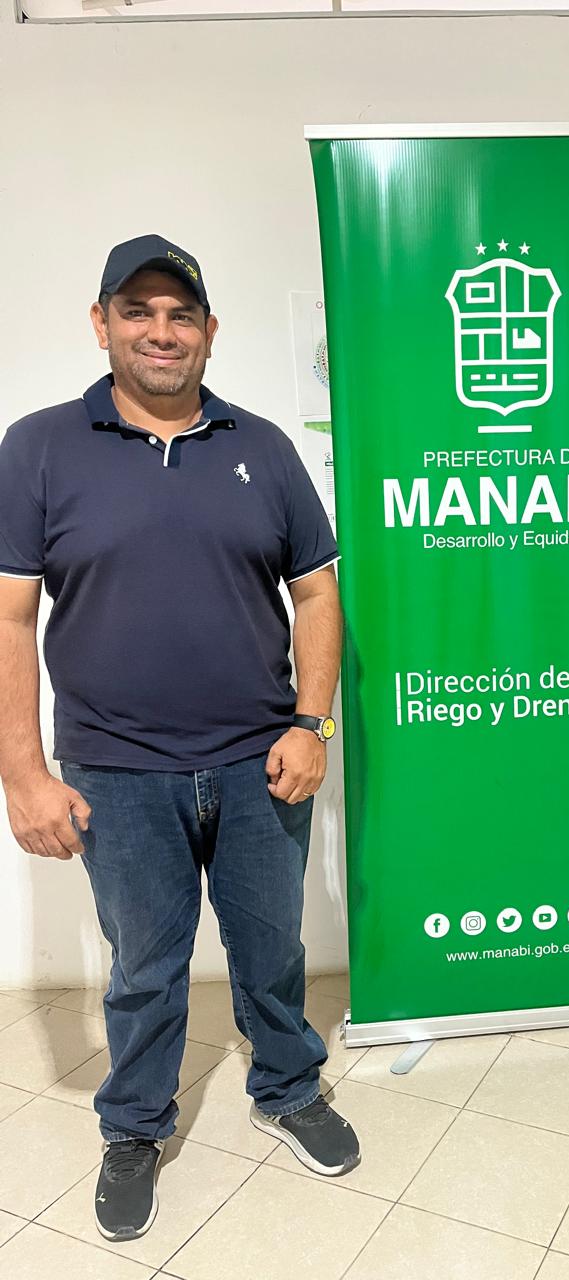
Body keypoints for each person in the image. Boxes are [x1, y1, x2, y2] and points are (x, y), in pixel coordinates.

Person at [0, 234, 359, 1241]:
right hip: (115, 770)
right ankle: (134, 1126)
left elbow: (318, 592)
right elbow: (9, 618)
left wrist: (313, 722)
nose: (162, 331)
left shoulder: (263, 447)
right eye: (139, 311)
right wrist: (23, 773)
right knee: (145, 966)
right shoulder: (38, 447)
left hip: (259, 761)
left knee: (271, 948)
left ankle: (287, 1088)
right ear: (101, 323)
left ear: (208, 331)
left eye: (181, 314)